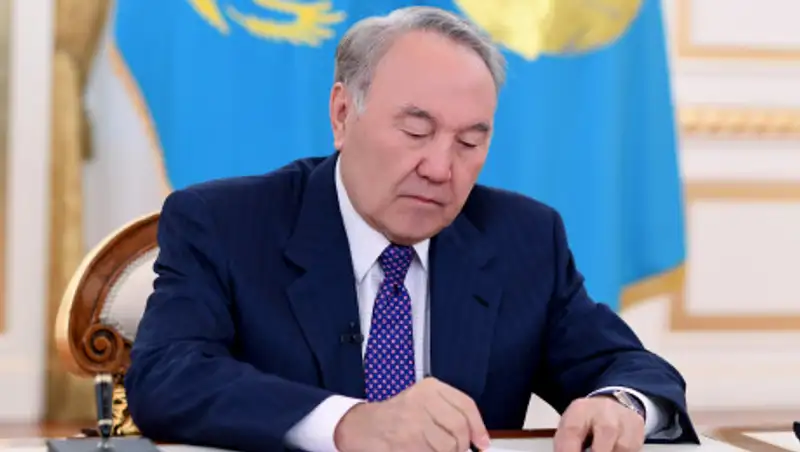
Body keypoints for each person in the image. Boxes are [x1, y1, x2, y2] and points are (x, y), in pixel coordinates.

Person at [125, 6, 699, 452]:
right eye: (417, 131)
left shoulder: (522, 238)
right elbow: (168, 376)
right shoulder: (226, 224)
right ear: (343, 114)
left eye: (469, 142)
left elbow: (632, 369)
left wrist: (620, 404)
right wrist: (348, 422)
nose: (441, 168)